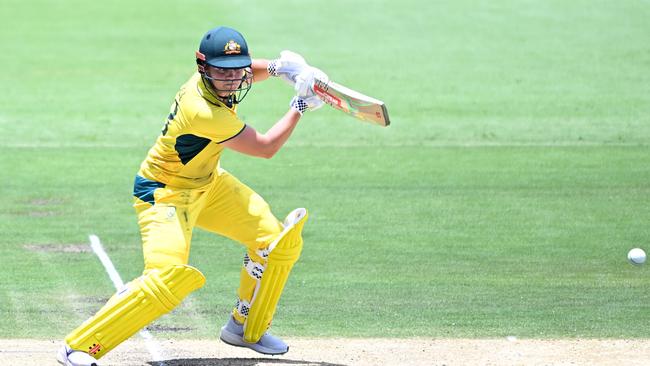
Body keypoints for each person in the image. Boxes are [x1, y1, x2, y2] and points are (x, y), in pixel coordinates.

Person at [57, 26, 325, 366]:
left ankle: (244, 328)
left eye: (236, 71)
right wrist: (300, 103)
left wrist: (280, 68)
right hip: (165, 194)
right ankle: (78, 347)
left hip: (208, 185)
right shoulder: (202, 110)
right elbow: (266, 147)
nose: (230, 80)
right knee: (166, 276)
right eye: (220, 72)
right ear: (203, 69)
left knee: (273, 242)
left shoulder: (218, 79)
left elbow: (240, 70)